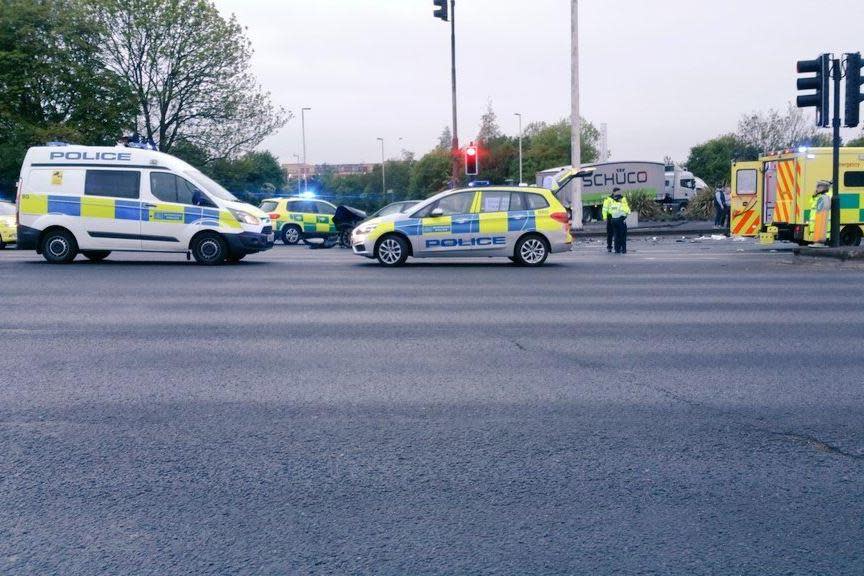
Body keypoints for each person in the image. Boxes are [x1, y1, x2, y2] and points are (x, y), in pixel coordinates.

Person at [609, 189, 631, 254]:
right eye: (620, 198)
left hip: (613, 220)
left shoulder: (612, 205)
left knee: (616, 236)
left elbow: (610, 212)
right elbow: (628, 211)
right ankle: (623, 250)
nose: (621, 199)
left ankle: (617, 249)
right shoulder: (621, 204)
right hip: (620, 220)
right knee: (623, 236)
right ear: (619, 199)